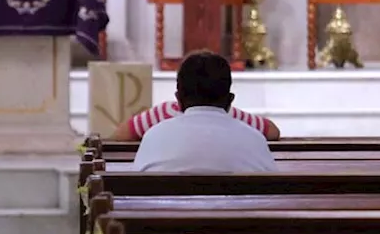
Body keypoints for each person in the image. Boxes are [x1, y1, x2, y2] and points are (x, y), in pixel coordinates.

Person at [132, 51, 278, 173]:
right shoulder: (255, 139)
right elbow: (275, 194)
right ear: (229, 100)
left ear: (179, 99)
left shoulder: (153, 137)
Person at [111, 98, 281, 141]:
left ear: (179, 96)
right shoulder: (233, 116)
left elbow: (120, 134)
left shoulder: (164, 113)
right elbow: (273, 131)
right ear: (228, 98)